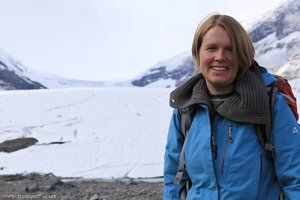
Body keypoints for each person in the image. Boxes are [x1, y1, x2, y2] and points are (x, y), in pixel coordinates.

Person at [163, 14, 300, 200]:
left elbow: (296, 178)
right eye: (211, 48)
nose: (220, 57)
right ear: (198, 53)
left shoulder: (269, 103)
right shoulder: (186, 107)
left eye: (230, 50)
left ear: (242, 56)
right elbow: (174, 179)